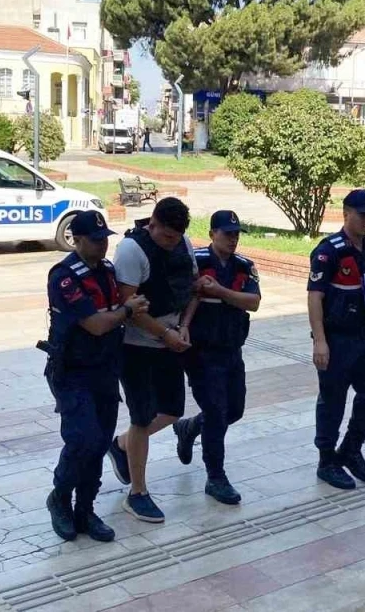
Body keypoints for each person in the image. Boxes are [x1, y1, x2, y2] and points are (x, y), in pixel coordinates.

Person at [42, 210, 149, 542]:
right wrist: (128, 310)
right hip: (73, 372)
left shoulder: (107, 271)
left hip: (105, 369)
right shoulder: (64, 277)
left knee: (100, 441)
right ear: (77, 240)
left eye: (105, 239)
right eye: (95, 239)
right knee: (82, 439)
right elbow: (97, 324)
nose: (102, 245)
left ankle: (85, 509)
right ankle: (60, 498)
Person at [107, 197, 198, 523]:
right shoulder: (132, 250)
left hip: (170, 339)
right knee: (142, 417)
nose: (171, 242)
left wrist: (184, 326)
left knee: (172, 410)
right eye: (166, 236)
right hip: (136, 346)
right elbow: (128, 306)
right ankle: (138, 493)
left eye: (176, 237)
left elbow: (192, 290)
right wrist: (164, 333)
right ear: (152, 223)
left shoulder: (184, 243)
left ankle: (121, 445)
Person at [172, 210, 262, 505]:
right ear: (212, 234)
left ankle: (189, 428)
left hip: (231, 349)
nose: (233, 239)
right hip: (201, 352)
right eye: (227, 234)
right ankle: (216, 477)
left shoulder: (244, 266)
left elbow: (253, 302)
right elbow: (183, 297)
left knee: (234, 410)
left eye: (236, 234)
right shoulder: (196, 262)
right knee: (216, 412)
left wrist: (220, 291)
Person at [308, 189, 365, 490]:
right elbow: (314, 297)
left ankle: (351, 449)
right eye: (362, 215)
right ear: (345, 214)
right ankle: (326, 461)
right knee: (333, 401)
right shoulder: (329, 251)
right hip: (336, 338)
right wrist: (320, 341)